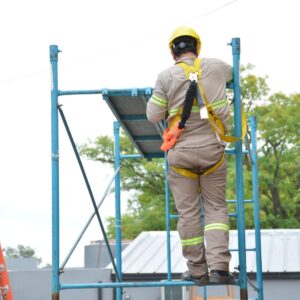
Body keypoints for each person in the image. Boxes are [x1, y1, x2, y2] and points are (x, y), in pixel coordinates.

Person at [146, 26, 233, 285]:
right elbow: (231, 74)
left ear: (173, 52)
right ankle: (219, 269)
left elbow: (153, 115)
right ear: (198, 46)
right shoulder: (217, 66)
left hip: (181, 155)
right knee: (216, 208)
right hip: (212, 153)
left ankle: (198, 272)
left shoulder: (165, 76)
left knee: (188, 214)